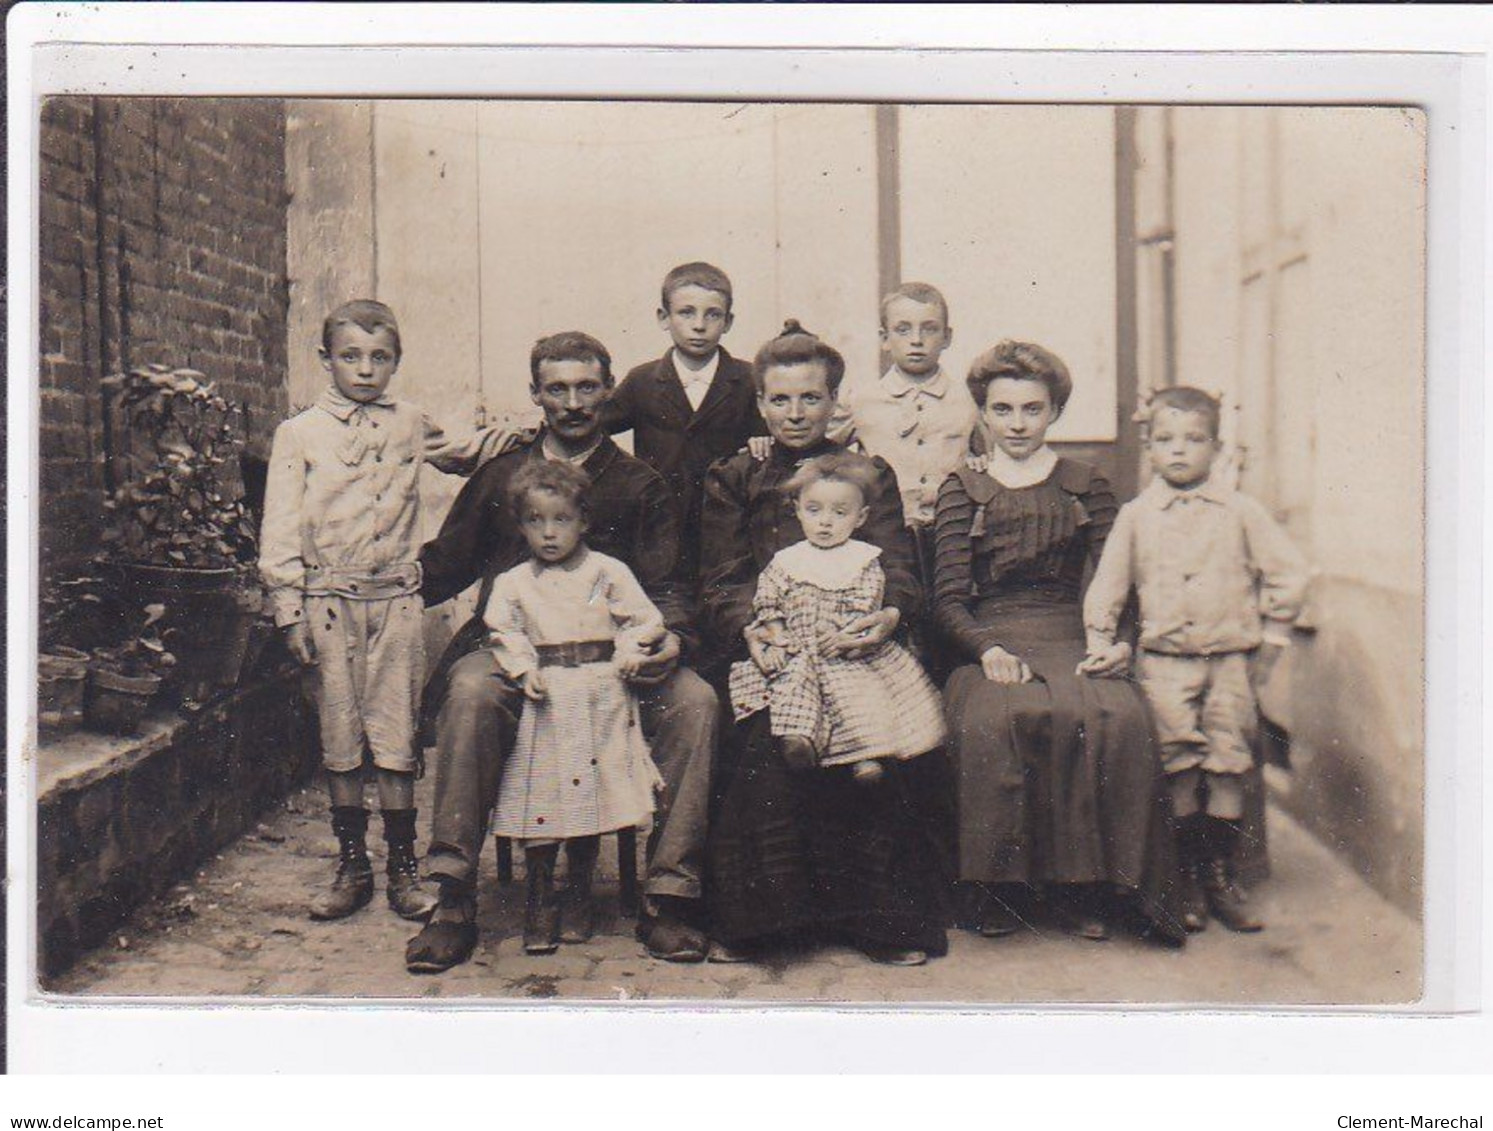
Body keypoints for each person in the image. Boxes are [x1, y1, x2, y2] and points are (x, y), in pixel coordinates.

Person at [404, 331, 721, 973]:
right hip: (512, 648)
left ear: (608, 393)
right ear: (535, 395)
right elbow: (443, 566)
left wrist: (670, 640)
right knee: (469, 693)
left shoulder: (639, 484)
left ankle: (669, 894)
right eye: (557, 388)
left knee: (696, 701)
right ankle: (453, 896)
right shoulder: (502, 473)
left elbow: (667, 587)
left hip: (615, 657)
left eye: (586, 388)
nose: (573, 403)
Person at [259, 299, 522, 923]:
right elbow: (279, 528)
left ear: (396, 361)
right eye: (350, 356)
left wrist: (520, 436)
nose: (365, 370)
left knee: (396, 733)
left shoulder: (410, 423)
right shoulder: (299, 434)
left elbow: (462, 453)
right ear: (326, 360)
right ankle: (352, 863)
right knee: (342, 735)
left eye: (380, 358)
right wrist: (287, 611)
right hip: (328, 606)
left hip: (397, 604)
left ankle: (404, 867)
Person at [700, 321, 952, 966]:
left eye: (810, 398)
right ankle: (771, 926)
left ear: (835, 402)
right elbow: (724, 579)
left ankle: (878, 924)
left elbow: (899, 562)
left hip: (858, 643)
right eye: (779, 400)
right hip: (776, 645)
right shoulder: (737, 475)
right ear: (759, 405)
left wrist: (891, 614)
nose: (795, 413)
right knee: (769, 748)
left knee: (876, 756)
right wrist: (751, 628)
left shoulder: (868, 474)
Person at [933, 340, 1185, 946]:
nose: (1017, 424)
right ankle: (1002, 888)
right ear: (983, 414)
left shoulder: (1085, 485)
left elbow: (1116, 581)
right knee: (1000, 717)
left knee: (1114, 716)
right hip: (991, 637)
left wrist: (1118, 643)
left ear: (1054, 413)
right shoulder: (962, 488)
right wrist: (986, 650)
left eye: (1031, 409)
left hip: (1074, 632)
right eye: (1002, 410)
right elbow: (946, 597)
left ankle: (1088, 888)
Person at [1081, 386, 1309, 933]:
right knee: (1178, 766)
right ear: (1149, 449)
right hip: (1164, 663)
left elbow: (1289, 573)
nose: (1179, 450)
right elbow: (1108, 586)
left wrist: (1272, 640)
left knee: (1228, 764)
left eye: (1194, 439)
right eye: (1165, 439)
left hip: (1231, 661)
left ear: (1216, 447)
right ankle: (1183, 874)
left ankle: (1218, 873)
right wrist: (1100, 639)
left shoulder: (1240, 511)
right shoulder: (1137, 516)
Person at [484, 461, 667, 954]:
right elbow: (503, 629)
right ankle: (541, 894)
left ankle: (579, 890)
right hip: (546, 697)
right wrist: (524, 669)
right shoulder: (515, 581)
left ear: (583, 520)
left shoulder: (608, 572)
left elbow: (645, 621)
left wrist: (630, 651)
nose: (548, 533)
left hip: (599, 694)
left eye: (561, 520)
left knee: (589, 792)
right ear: (521, 525)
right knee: (543, 789)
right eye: (535, 521)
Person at [726, 450, 946, 785]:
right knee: (792, 686)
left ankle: (865, 754)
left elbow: (867, 600)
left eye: (840, 512)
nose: (825, 521)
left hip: (843, 646)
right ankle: (799, 742)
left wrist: (849, 634)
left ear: (860, 518)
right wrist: (774, 628)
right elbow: (767, 598)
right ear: (798, 510)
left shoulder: (863, 559)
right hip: (799, 647)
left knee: (860, 695)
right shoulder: (786, 561)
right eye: (814, 511)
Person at [605, 262, 764, 586]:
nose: (699, 326)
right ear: (664, 318)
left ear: (728, 321)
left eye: (713, 314)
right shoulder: (643, 380)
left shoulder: (749, 379)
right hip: (661, 524)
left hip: (726, 526)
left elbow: (772, 435)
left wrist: (764, 440)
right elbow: (592, 425)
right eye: (686, 313)